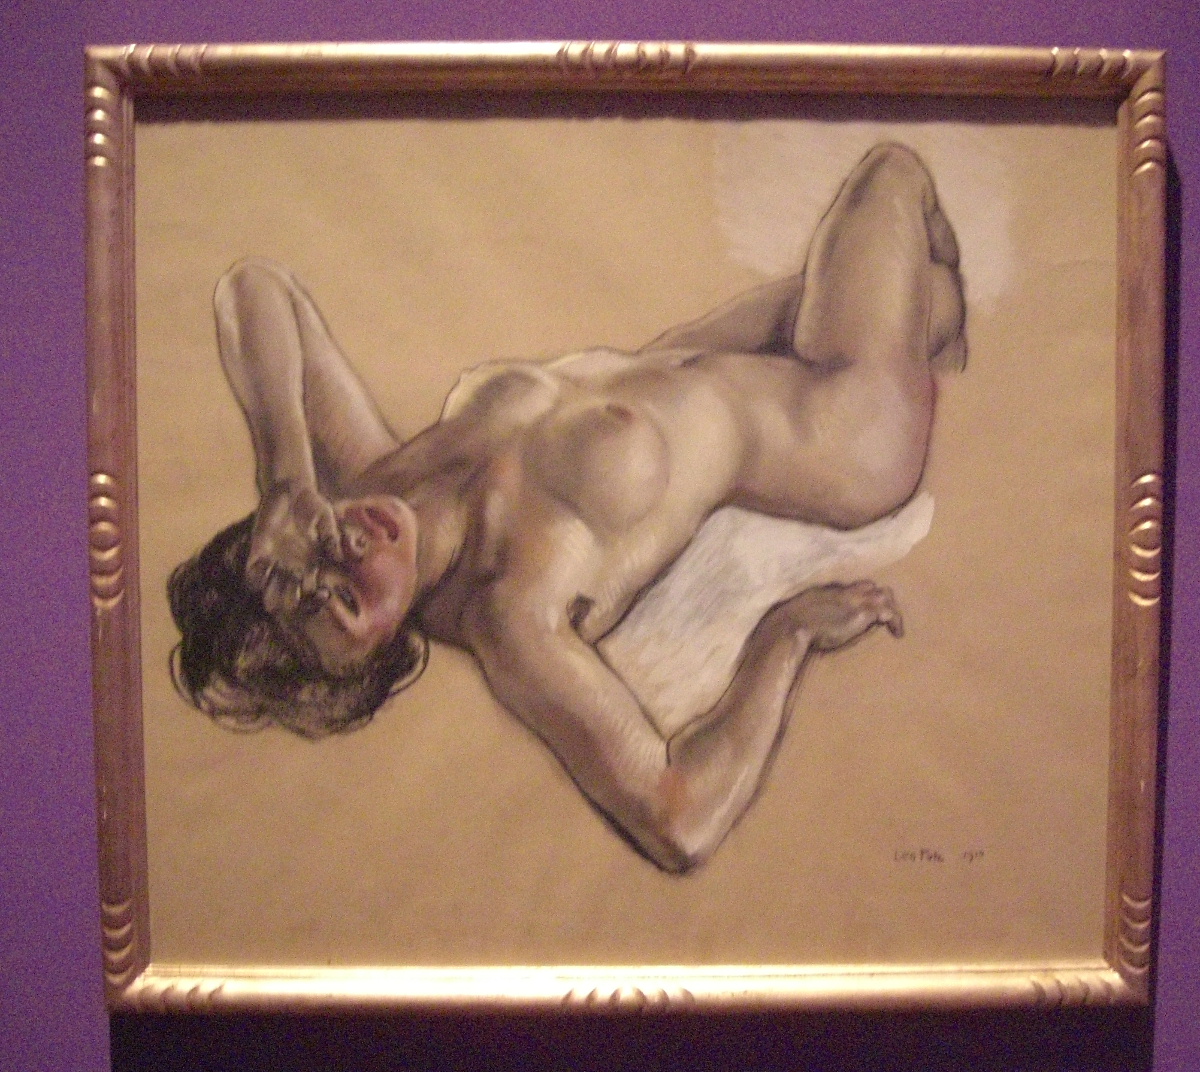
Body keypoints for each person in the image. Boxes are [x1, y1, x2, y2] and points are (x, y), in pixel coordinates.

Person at [169, 143, 966, 872]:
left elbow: (254, 286)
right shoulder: (512, 614)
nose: (342, 553)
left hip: (740, 346)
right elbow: (679, 823)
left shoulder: (371, 480)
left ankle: (948, 333)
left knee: (937, 299)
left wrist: (284, 475)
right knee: (893, 174)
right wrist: (783, 639)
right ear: (380, 653)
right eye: (344, 601)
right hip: (838, 426)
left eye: (306, 556)